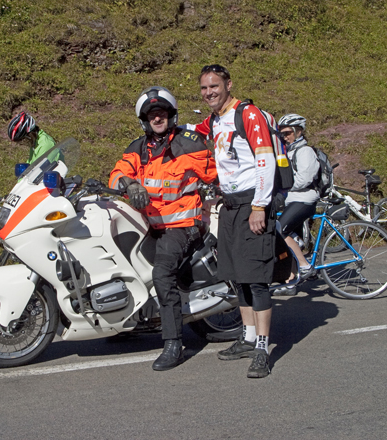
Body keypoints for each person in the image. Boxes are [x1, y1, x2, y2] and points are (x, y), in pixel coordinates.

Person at [108, 86, 217, 372]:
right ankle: (125, 323)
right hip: (150, 225)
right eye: (153, 115)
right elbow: (117, 173)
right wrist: (128, 184)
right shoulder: (137, 148)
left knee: (162, 273)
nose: (158, 118)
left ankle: (173, 344)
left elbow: (218, 173)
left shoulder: (189, 144)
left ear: (171, 115)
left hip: (181, 226)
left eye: (162, 113)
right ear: (145, 120)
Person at [188, 64, 278, 379]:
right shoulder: (214, 120)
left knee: (256, 278)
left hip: (252, 203)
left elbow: (265, 158)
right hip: (229, 206)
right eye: (204, 88)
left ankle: (262, 348)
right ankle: (248, 336)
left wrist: (259, 207)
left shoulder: (247, 114)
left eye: (214, 86)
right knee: (237, 277)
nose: (209, 92)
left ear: (228, 85)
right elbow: (190, 132)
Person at [275, 113, 320, 296]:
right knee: (288, 240)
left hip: (305, 199)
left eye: (288, 133)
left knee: (280, 230)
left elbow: (304, 178)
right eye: (282, 134)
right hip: (292, 199)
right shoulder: (288, 151)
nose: (284, 137)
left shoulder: (305, 152)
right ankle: (290, 281)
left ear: (298, 131)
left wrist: (282, 186)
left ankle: (305, 265)